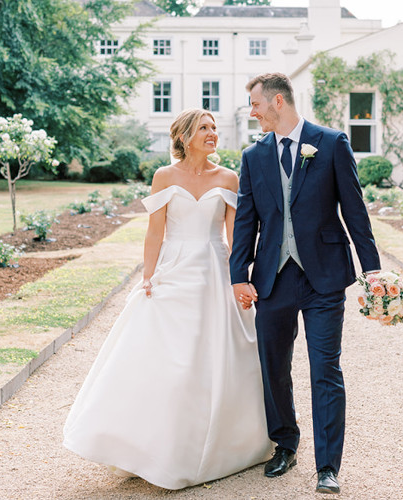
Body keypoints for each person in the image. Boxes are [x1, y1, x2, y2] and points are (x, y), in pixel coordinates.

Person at [62, 109, 273, 490]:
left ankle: (213, 444)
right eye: (204, 128)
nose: (212, 133)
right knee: (165, 359)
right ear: (185, 135)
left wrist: (238, 279)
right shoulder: (164, 176)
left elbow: (236, 236)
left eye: (214, 128)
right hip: (173, 271)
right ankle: (147, 446)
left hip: (212, 270)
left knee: (209, 356)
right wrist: (149, 276)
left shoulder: (228, 177)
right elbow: (155, 233)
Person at [230, 73, 381, 495]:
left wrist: (373, 272)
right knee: (273, 367)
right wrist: (238, 276)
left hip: (325, 278)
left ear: (278, 101)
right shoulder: (253, 156)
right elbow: (246, 220)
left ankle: (327, 466)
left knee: (325, 369)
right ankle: (285, 443)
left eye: (256, 105)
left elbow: (355, 211)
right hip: (272, 279)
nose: (253, 112)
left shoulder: (331, 143)